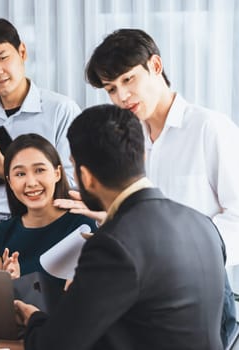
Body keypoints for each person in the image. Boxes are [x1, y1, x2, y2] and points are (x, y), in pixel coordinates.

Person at [69, 28, 238, 347]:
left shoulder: (210, 128)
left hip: (200, 289)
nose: (121, 96)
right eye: (111, 88)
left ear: (156, 66)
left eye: (128, 80)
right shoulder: (128, 140)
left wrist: (178, 250)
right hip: (138, 289)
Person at [16, 104, 226, 350]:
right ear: (141, 156)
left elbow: (55, 346)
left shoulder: (112, 244)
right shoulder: (204, 224)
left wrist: (32, 318)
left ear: (86, 177)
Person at [0, 18, 81, 269]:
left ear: (22, 52)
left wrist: (9, 172)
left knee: (26, 308)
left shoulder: (60, 110)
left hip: (35, 233)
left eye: (3, 58)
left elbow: (72, 182)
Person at [0, 134, 96, 280]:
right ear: (10, 182)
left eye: (39, 170)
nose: (31, 182)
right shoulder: (0, 235)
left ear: (57, 173)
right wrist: (11, 285)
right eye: (20, 174)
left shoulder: (83, 228)